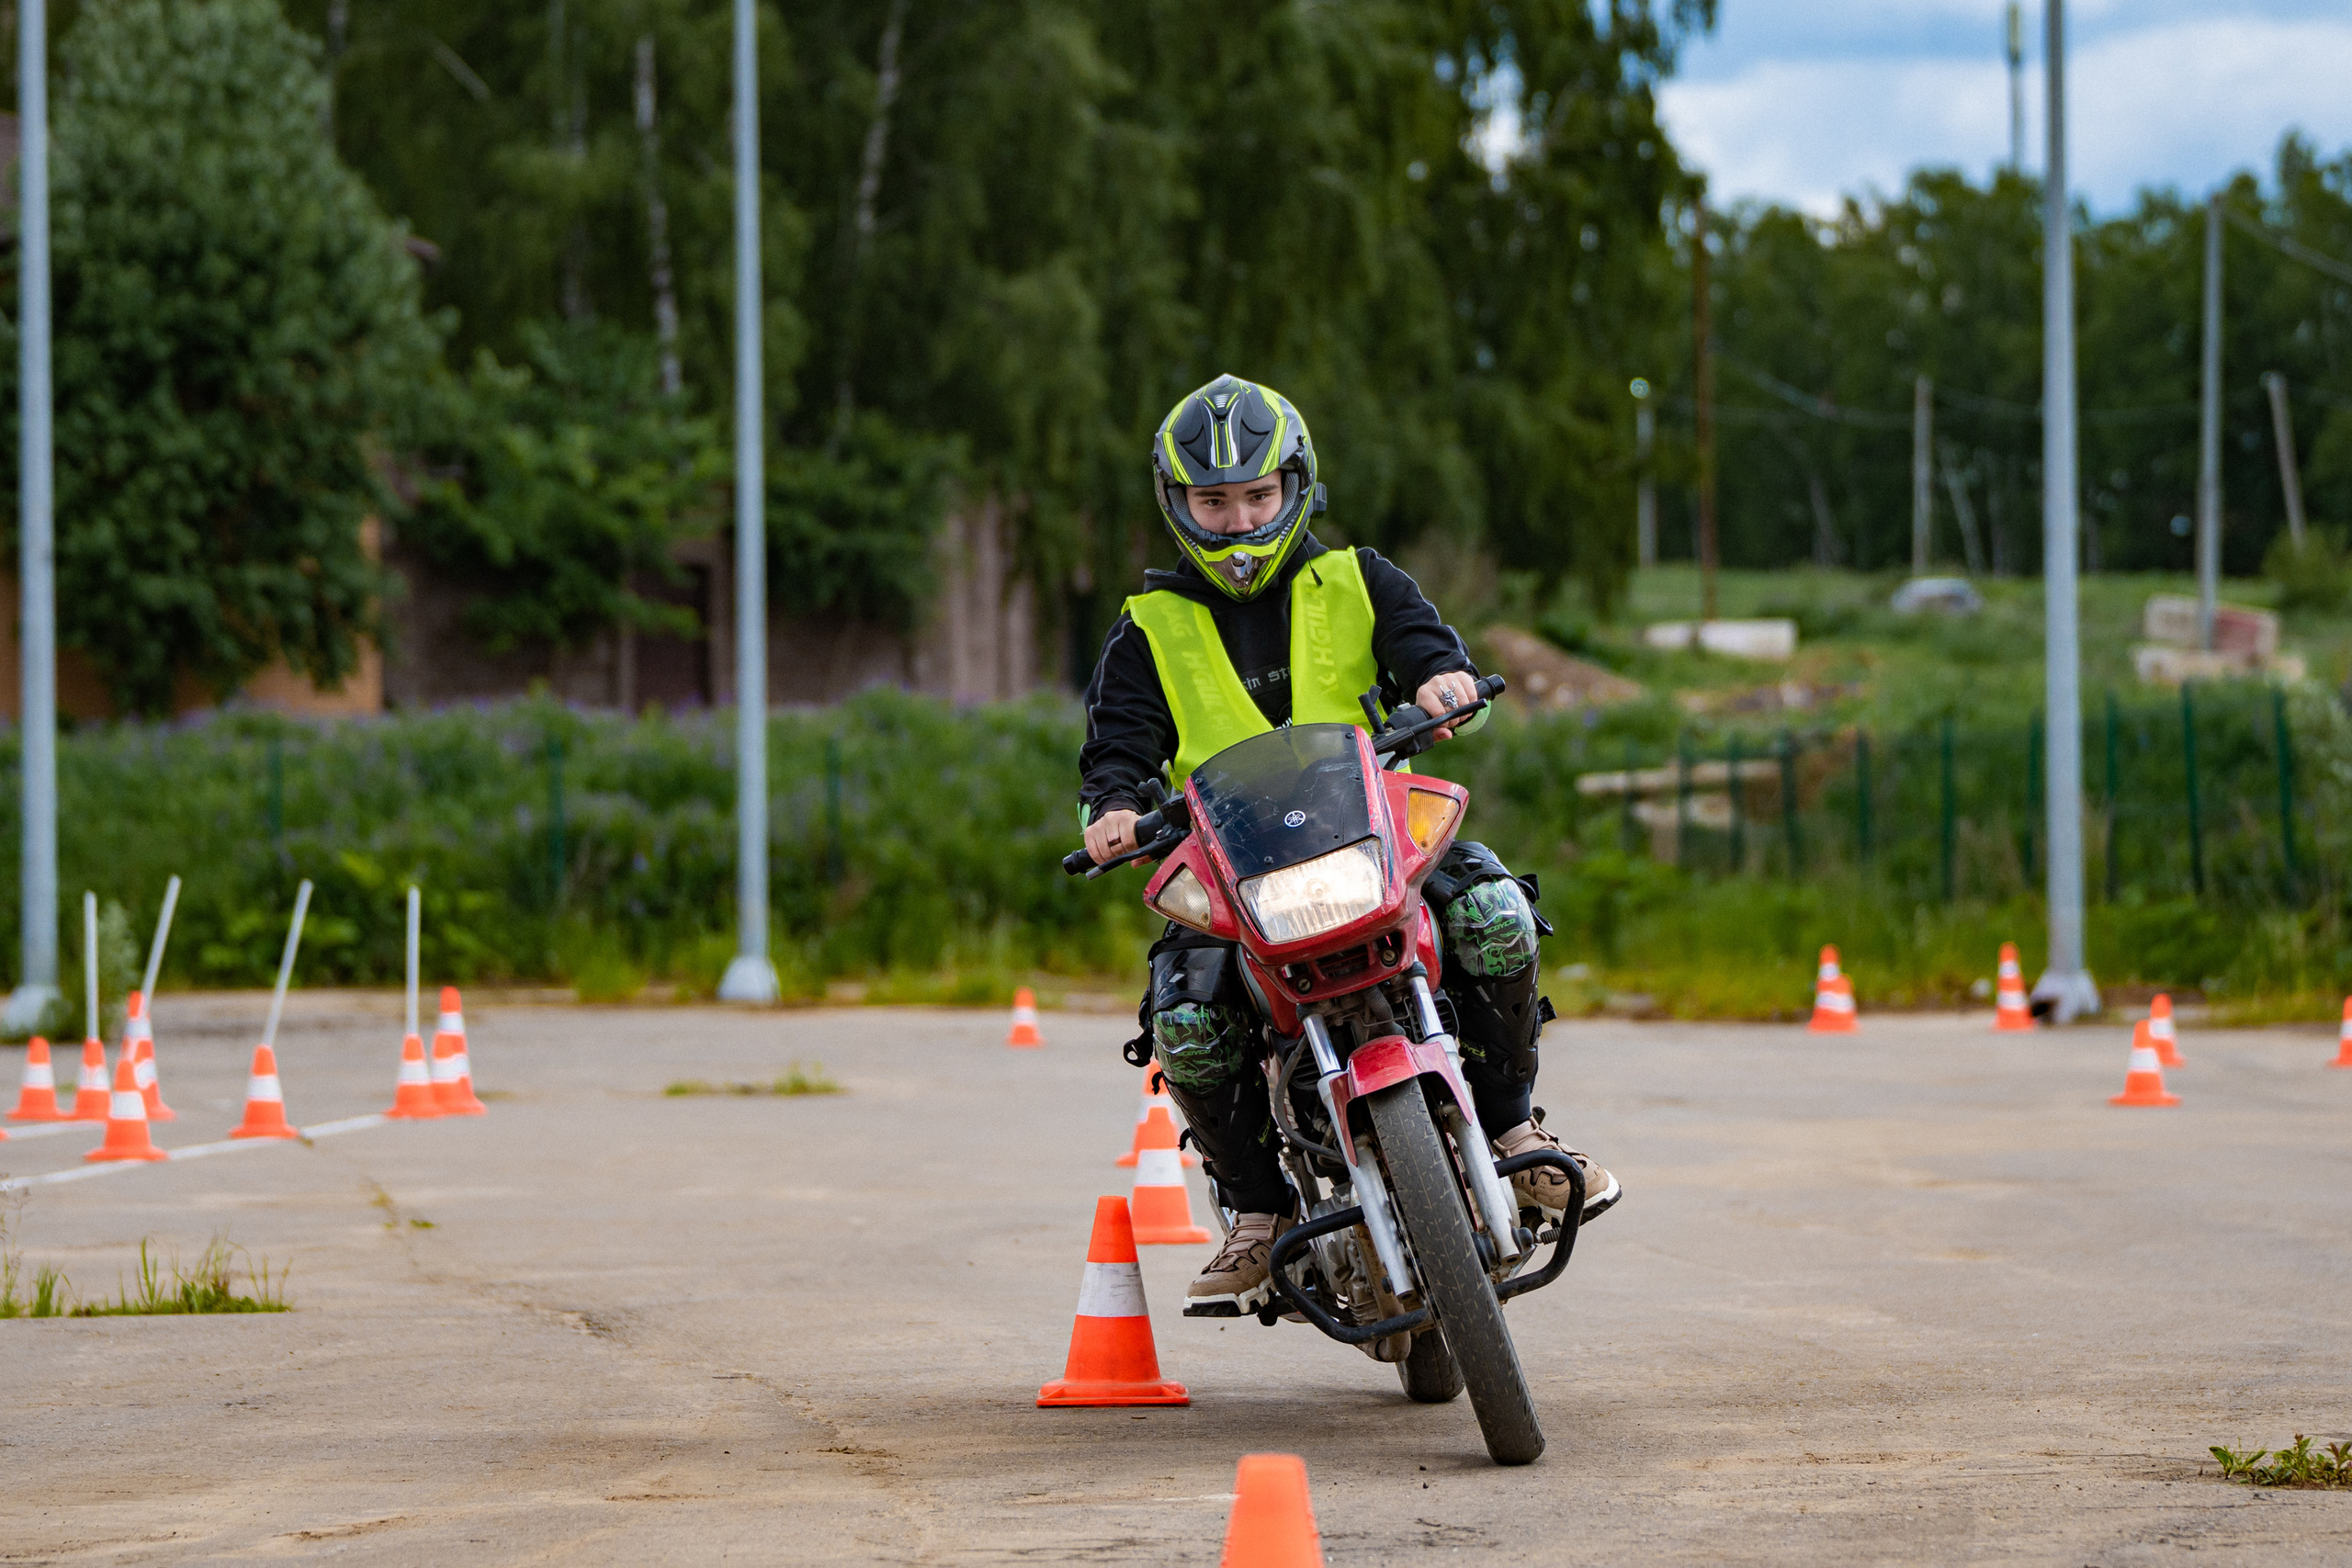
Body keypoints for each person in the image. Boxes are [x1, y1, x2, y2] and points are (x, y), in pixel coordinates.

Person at [1079, 373, 1621, 1317]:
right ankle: (1254, 1209)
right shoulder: (1148, 628)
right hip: (1228, 862)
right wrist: (1114, 807)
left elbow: (1425, 647)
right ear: (1178, 506)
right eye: (1214, 500)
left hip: (1370, 830)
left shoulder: (1358, 579)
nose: (1239, 520)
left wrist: (1444, 680)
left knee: (1493, 917)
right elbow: (1117, 747)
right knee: (1187, 1019)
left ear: (1297, 489)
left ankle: (1512, 1131)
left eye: (1257, 496)